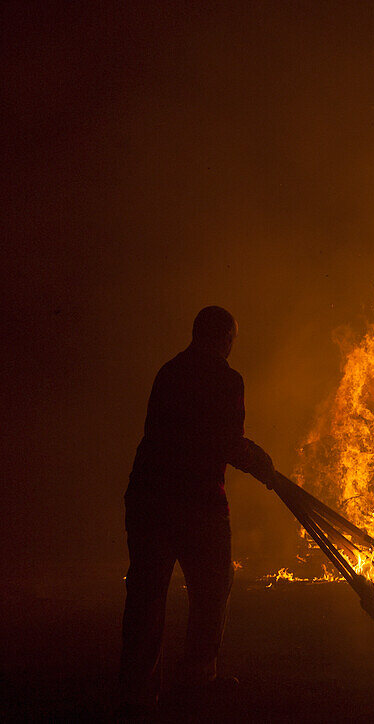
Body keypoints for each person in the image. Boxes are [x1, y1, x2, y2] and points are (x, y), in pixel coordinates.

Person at [119, 306, 274, 716]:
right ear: (224, 338)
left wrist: (251, 454)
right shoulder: (226, 379)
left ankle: (138, 691)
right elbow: (225, 441)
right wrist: (259, 463)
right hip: (196, 501)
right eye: (231, 339)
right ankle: (199, 677)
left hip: (148, 496)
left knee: (146, 596)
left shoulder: (169, 371)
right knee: (212, 587)